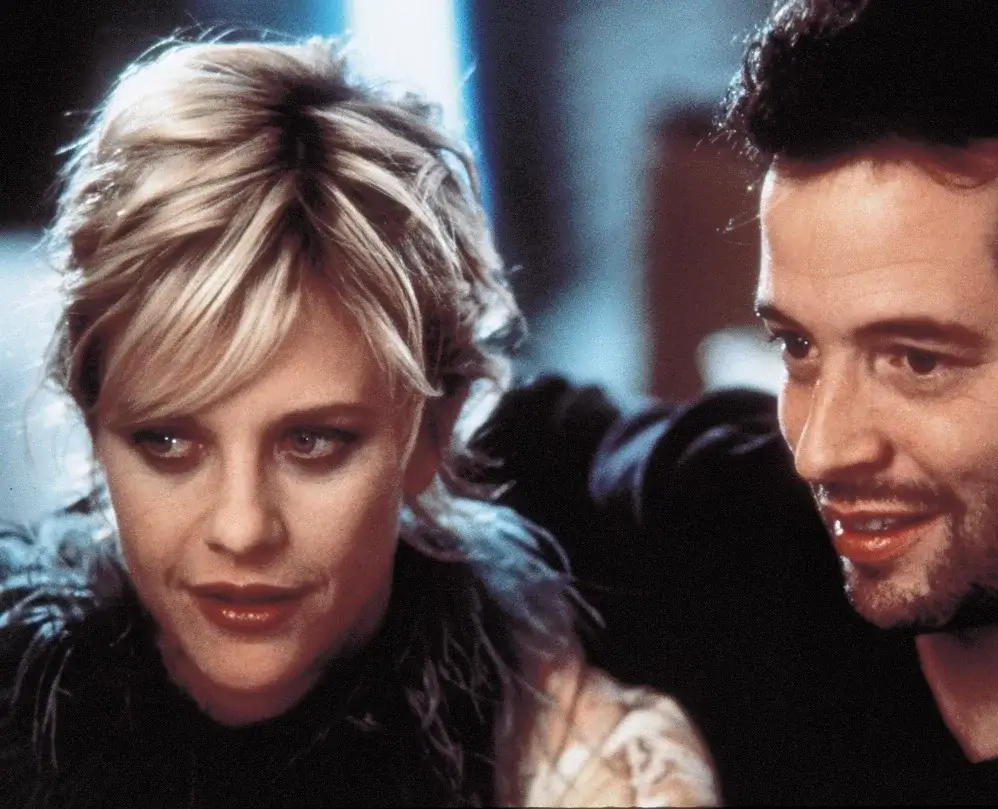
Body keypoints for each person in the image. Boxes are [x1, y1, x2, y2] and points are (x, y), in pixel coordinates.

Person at [467, 0, 998, 803]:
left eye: (917, 361)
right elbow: (486, 434)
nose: (820, 450)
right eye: (798, 347)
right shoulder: (740, 537)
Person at [0, 38, 720, 808]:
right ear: (93, 422)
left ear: (433, 430)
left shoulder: (573, 759)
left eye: (311, 442)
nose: (242, 528)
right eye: (169, 441)